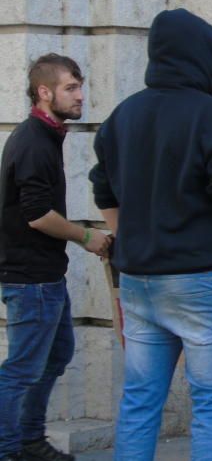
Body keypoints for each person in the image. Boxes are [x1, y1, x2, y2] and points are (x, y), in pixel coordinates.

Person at [89, 9, 212, 461]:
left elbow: (102, 191)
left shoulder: (122, 116)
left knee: (140, 403)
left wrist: (136, 238)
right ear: (203, 59)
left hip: (141, 280)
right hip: (205, 282)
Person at [0, 54, 110, 461]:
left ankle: (28, 440)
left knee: (56, 355)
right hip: (30, 278)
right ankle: (9, 448)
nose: (81, 96)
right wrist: (87, 236)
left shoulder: (46, 136)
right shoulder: (32, 142)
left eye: (80, 86)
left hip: (44, 276)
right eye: (70, 88)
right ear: (45, 93)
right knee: (22, 369)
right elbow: (37, 215)